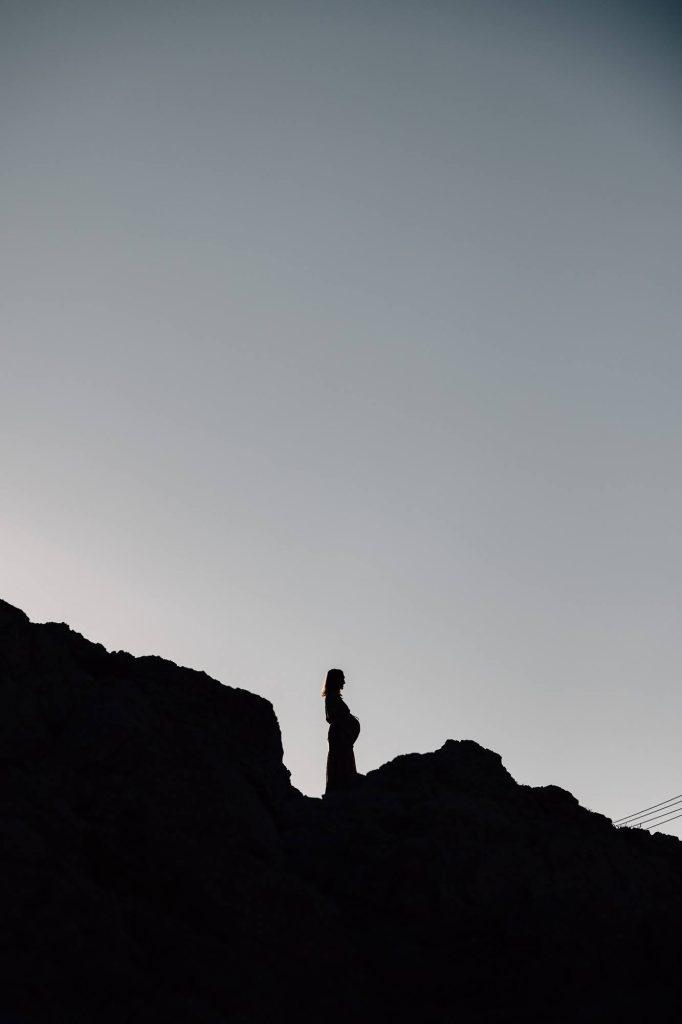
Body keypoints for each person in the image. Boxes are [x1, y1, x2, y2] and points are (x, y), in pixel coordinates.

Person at [323, 668, 360, 795]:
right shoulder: (332, 697)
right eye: (342, 678)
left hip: (344, 736)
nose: (344, 682)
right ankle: (340, 789)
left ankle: (345, 785)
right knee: (340, 761)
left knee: (344, 760)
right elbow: (332, 716)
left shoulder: (334, 698)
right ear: (336, 680)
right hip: (339, 736)